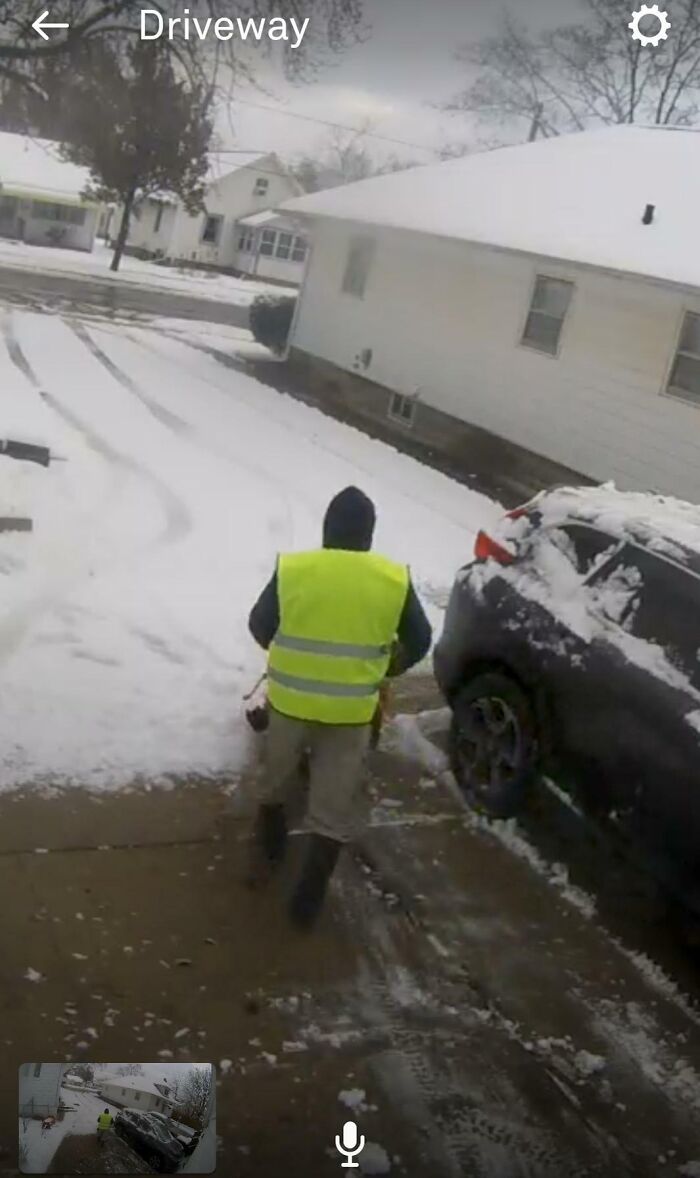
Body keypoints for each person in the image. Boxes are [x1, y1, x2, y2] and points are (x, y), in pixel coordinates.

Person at [248, 485, 432, 928]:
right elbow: (421, 639)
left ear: (327, 528)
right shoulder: (393, 579)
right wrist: (386, 666)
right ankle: (307, 900)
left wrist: (292, 659)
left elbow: (259, 625)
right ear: (368, 534)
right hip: (349, 715)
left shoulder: (295, 568)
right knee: (333, 806)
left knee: (276, 777)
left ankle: (272, 842)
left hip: (290, 706)